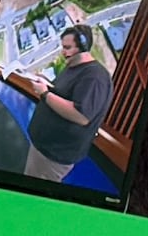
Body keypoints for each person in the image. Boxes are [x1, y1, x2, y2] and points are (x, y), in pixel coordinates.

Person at [11, 18, 114, 182]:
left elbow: (81, 115)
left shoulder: (94, 78)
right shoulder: (73, 66)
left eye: (67, 48)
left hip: (54, 156)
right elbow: (64, 94)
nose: (63, 52)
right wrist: (46, 83)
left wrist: (45, 94)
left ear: (82, 48)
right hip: (44, 148)